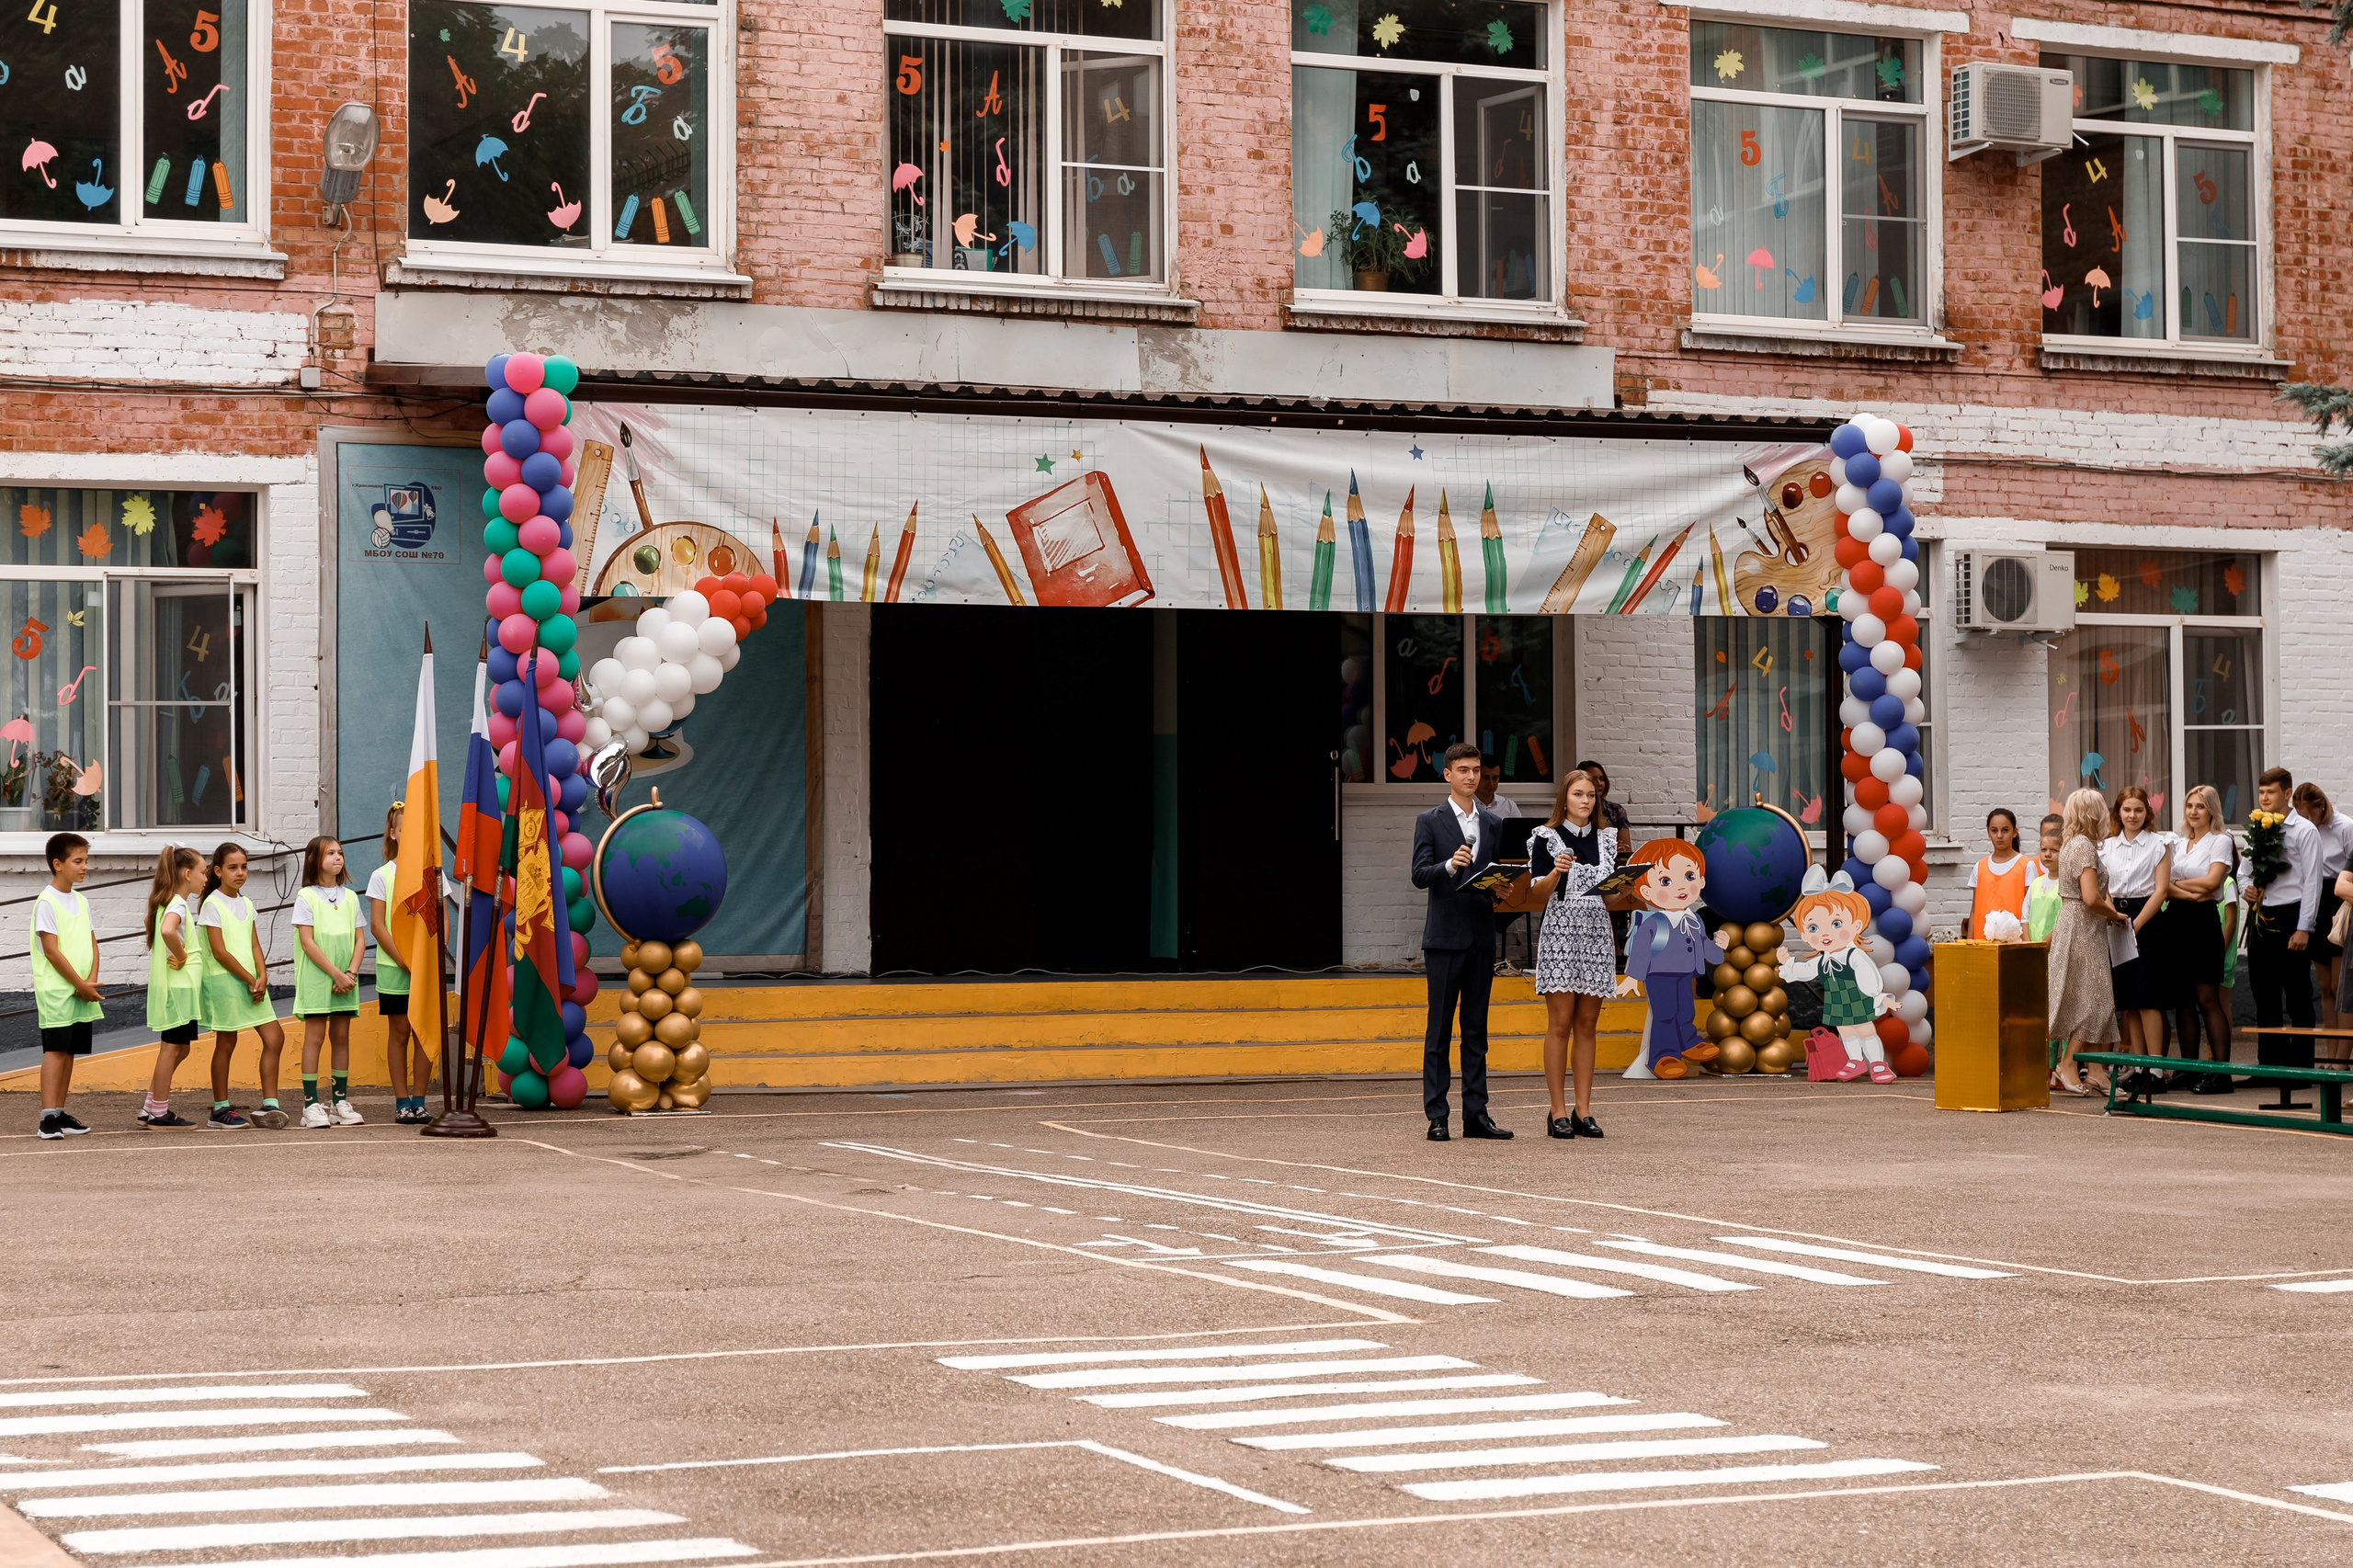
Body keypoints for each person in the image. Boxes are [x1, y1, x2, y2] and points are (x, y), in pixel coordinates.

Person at [1411, 741, 1512, 1141]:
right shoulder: (1430, 820)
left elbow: (1489, 875)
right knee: (1438, 1030)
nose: (1471, 777)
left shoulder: (1491, 823)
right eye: (1464, 770)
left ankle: (1477, 1113)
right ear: (1448, 774)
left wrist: (1499, 889)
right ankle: (1437, 1115)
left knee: (1476, 1030)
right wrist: (1449, 865)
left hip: (1480, 936)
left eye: (1476, 770)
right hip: (1444, 937)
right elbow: (1419, 874)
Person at [1528, 767, 1618, 1139]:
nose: (1585, 801)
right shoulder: (1545, 837)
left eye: (1591, 796)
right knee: (1560, 1024)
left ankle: (1584, 1110)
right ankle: (1557, 1111)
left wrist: (1628, 888)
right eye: (1578, 794)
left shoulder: (1607, 839)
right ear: (1564, 798)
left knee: (1587, 1025)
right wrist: (1556, 873)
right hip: (1561, 931)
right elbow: (1535, 897)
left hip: (1596, 932)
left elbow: (1610, 897)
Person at [1777, 869, 1896, 1083]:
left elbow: (1868, 976)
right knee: (1846, 1031)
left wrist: (1877, 996)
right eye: (1813, 927)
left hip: (1856, 998)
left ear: (1857, 925)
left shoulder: (1854, 956)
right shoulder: (1823, 960)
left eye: (1836, 924)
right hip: (1837, 1002)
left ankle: (1877, 1064)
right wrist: (1788, 964)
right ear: (1804, 934)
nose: (1824, 933)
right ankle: (1855, 1061)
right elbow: (1806, 970)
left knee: (1865, 1029)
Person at [199, 843, 288, 1129]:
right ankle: (220, 1109)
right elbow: (219, 951)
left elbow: (253, 944)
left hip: (252, 983)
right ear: (218, 871)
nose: (240, 873)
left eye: (244, 867)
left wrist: (263, 975)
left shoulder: (246, 903)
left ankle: (269, 1105)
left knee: (275, 1038)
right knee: (227, 1042)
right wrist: (250, 979)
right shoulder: (212, 904)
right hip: (226, 983)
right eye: (233, 867)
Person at [1618, 837, 1722, 1077]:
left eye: (1689, 877)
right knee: (1664, 1014)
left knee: (1685, 1009)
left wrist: (1719, 950)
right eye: (1666, 881)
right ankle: (1662, 1057)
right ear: (1646, 891)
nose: (1680, 887)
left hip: (1685, 973)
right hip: (1659, 975)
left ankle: (1689, 1042)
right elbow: (1642, 948)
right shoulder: (1655, 922)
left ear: (1701, 879)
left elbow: (1704, 945)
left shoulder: (1694, 919)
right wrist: (1633, 977)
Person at [2157, 786, 2237, 1095]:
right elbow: (2163, 886)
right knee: (2182, 1001)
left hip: (2203, 922)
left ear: (2212, 811)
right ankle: (2188, 1069)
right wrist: (2188, 889)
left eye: (2200, 807)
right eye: (2189, 805)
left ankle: (2221, 1073)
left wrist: (2178, 884)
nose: (2193, 812)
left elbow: (2213, 882)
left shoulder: (2221, 840)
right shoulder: (2176, 843)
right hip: (2176, 920)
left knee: (2207, 998)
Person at [2244, 767, 2324, 1073]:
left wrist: (2304, 927)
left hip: (2292, 914)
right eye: (2261, 792)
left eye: (2271, 792)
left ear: (2287, 794)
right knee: (2264, 994)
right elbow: (2244, 873)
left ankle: (2301, 1067)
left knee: (2298, 996)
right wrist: (2245, 890)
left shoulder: (2304, 830)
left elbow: (2312, 882)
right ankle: (2269, 1067)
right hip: (2262, 916)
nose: (2264, 798)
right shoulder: (2258, 827)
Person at [2049, 788, 2127, 1096]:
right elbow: (2091, 897)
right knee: (2095, 999)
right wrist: (2115, 914)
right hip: (2083, 927)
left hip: (2076, 923)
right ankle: (2068, 1063)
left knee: (2090, 996)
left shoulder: (2072, 844)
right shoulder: (2084, 848)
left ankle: (2095, 1070)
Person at [31, 832, 101, 1140]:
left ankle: (59, 1112)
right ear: (58, 864)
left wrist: (89, 982)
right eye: (78, 861)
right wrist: (78, 983)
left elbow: (92, 943)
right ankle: (47, 1118)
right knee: (56, 1050)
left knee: (70, 1051)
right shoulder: (46, 901)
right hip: (58, 991)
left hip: (80, 990)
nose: (85, 866)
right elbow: (51, 950)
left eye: (86, 860)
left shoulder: (81, 900)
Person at [292, 835, 367, 1129]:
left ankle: (339, 1102)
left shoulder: (350, 897)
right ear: (313, 859)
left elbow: (360, 939)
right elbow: (307, 942)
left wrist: (350, 973)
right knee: (314, 1037)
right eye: (330, 853)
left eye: (340, 853)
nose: (338, 858)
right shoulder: (305, 897)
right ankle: (310, 1104)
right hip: (318, 980)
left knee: (341, 1038)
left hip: (346, 980)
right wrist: (336, 974)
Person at [2099, 785, 2173, 1064]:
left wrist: (2136, 924)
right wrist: (2111, 912)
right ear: (2118, 811)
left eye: (2138, 810)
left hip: (2148, 919)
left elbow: (2162, 890)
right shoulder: (2106, 847)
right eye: (2127, 809)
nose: (2132, 815)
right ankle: (2137, 1063)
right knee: (2128, 998)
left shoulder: (2159, 844)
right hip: (2115, 916)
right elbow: (2104, 886)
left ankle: (2155, 1066)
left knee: (2148, 995)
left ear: (2147, 812)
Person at [369, 802, 433, 1123]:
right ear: (393, 834)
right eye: (403, 830)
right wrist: (406, 960)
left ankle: (421, 1100)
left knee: (424, 1034)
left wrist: (430, 957)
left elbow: (441, 922)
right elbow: (378, 926)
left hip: (426, 971)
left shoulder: (432, 874)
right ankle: (401, 1101)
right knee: (400, 1033)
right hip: (395, 971)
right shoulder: (381, 876)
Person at [139, 846, 206, 1129]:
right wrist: (182, 956)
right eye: (203, 872)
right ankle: (159, 1112)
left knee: (181, 1049)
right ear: (187, 874)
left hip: (180, 989)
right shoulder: (177, 905)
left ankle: (150, 1106)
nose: (205, 878)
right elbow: (168, 931)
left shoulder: (171, 902)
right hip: (178, 989)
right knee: (171, 1049)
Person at [2292, 782, 2353, 1029]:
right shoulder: (2305, 829)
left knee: (2339, 987)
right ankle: (2330, 1056)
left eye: (2309, 815)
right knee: (2325, 988)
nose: (2306, 820)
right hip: (2316, 897)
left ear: (2321, 806)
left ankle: (2342, 1055)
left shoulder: (2344, 827)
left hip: (2339, 900)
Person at [1966, 809, 2035, 939]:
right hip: (1983, 943)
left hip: (2015, 944)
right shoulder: (1979, 866)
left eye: (2005, 830)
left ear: (2014, 832)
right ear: (1988, 832)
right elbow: (1974, 910)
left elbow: (2032, 910)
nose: (1999, 835)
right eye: (1994, 830)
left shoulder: (2026, 865)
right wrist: (1969, 943)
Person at [2026, 814, 2064, 942]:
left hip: (2056, 952)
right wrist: (2029, 946)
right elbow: (2025, 918)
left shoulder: (2068, 885)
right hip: (2034, 953)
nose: (2047, 854)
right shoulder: (2036, 883)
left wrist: (2045, 944)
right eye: (2043, 850)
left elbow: (2066, 921)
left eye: (2054, 850)